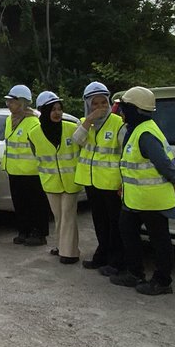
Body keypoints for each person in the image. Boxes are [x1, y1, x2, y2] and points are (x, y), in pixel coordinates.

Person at [111, 86, 175, 295]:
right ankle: (135, 273)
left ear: (135, 109)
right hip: (135, 199)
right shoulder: (137, 129)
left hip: (152, 199)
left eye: (125, 108)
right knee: (127, 230)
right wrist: (123, 186)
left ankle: (162, 281)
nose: (122, 112)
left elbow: (162, 162)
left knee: (159, 240)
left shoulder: (145, 133)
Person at [73, 82, 125, 272]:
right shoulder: (84, 123)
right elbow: (76, 140)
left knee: (114, 223)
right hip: (91, 181)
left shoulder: (118, 123)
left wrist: (123, 182)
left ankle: (116, 260)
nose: (100, 108)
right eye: (95, 104)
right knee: (99, 222)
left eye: (103, 103)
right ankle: (101, 255)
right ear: (88, 105)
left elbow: (125, 153)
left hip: (111, 183)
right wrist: (88, 121)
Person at [30, 91, 82, 263]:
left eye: (59, 109)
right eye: (53, 109)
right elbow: (37, 155)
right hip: (50, 183)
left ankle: (70, 253)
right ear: (44, 111)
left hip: (71, 181)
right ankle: (61, 245)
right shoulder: (33, 134)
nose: (57, 112)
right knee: (59, 216)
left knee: (68, 216)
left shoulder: (71, 128)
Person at [1, 84, 48, 246]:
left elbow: (40, 147)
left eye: (12, 102)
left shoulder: (34, 122)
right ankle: (24, 230)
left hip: (32, 172)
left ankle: (39, 233)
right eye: (8, 101)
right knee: (20, 204)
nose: (8, 105)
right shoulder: (9, 120)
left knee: (36, 204)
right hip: (14, 171)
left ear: (22, 103)